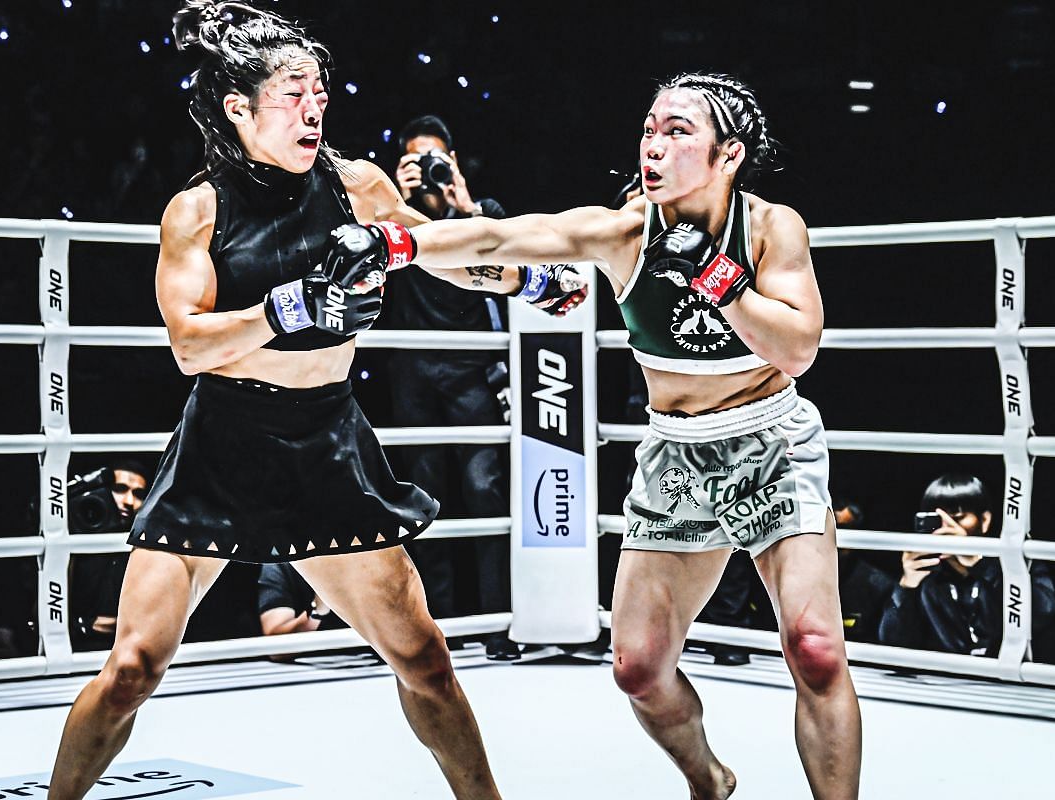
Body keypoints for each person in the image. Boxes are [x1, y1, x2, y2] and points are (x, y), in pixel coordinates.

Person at [46, 5, 584, 799]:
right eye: (292, 93)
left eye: (319, 92)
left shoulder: (357, 184)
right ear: (239, 107)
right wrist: (288, 310)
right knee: (132, 667)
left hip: (325, 443)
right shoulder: (197, 210)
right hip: (223, 445)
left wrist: (530, 280)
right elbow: (189, 344)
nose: (314, 108)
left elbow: (439, 259)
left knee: (424, 660)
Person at [328, 72, 858, 799]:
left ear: (727, 155)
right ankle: (709, 780)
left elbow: (798, 349)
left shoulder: (771, 228)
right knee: (638, 669)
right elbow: (504, 234)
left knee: (817, 649)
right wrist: (396, 243)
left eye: (678, 132)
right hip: (677, 450)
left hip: (770, 441)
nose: (654, 145)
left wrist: (722, 281)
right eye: (649, 129)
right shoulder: (623, 233)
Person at [387, 114, 516, 658]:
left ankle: (496, 626)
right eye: (419, 161)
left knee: (486, 495)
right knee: (423, 501)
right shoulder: (390, 219)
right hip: (412, 374)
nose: (431, 170)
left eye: (438, 159)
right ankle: (432, 631)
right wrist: (398, 197)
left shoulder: (481, 216)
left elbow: (514, 265)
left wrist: (464, 208)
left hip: (473, 372)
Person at [878, 474, 1055, 656]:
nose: (947, 528)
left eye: (958, 518)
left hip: (1007, 677)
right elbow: (893, 643)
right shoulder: (925, 574)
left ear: (984, 521)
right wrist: (907, 587)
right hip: (944, 679)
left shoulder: (1018, 563)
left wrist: (979, 563)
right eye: (938, 521)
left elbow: (1043, 614)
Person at [70, 460, 149, 650]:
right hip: (74, 648)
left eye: (138, 494)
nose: (129, 501)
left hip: (124, 651)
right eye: (120, 489)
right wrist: (81, 625)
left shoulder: (146, 547)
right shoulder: (76, 536)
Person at [831, 497, 891, 644]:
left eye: (843, 529)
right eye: (830, 529)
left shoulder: (877, 585)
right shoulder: (799, 577)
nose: (835, 536)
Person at [258, 562, 345, 635]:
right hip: (316, 653)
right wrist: (319, 610)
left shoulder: (356, 560)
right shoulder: (280, 564)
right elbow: (277, 649)